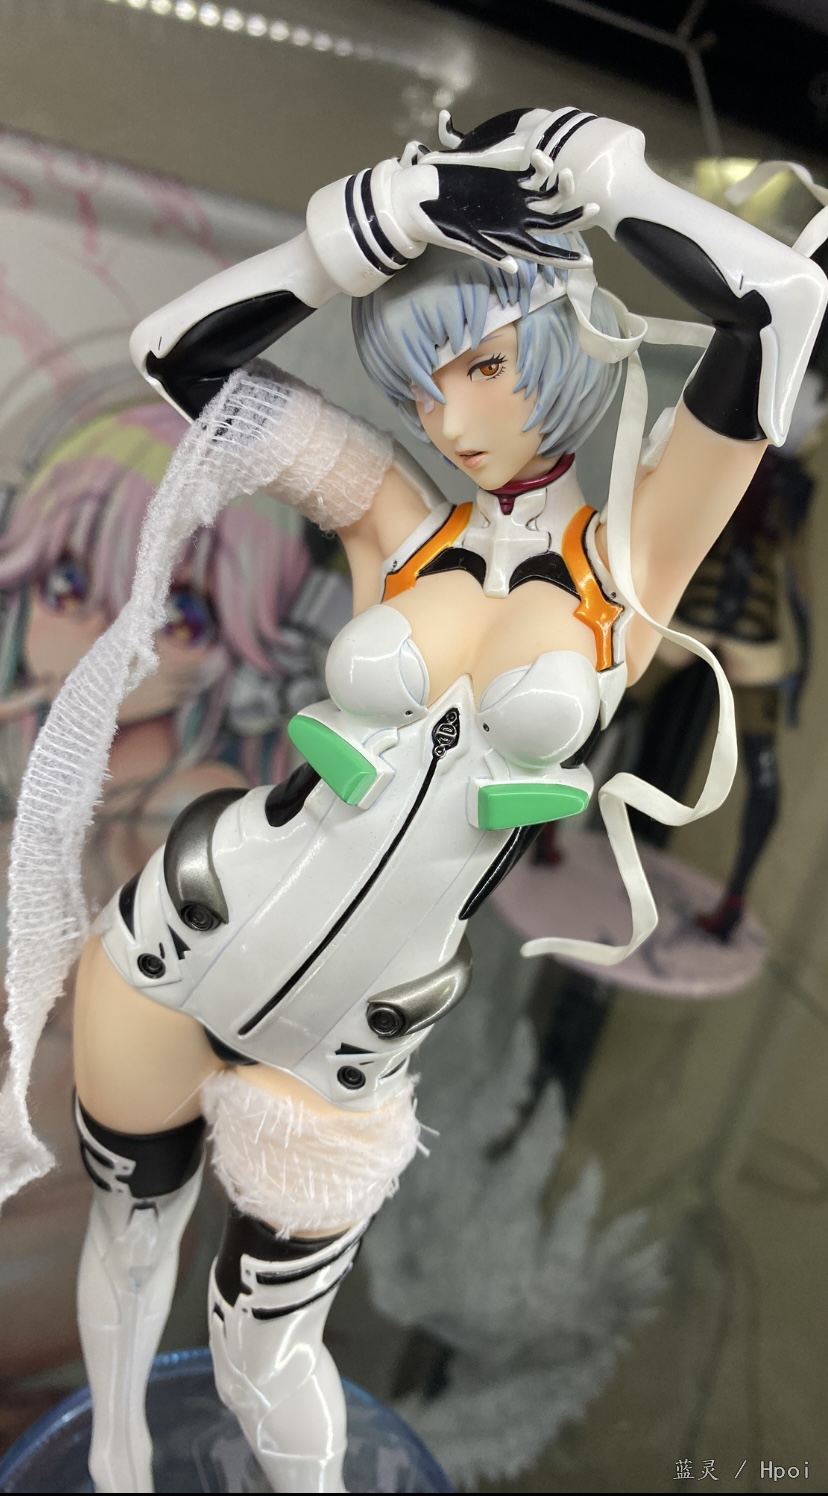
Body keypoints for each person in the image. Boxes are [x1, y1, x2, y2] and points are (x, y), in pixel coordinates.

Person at [2, 109, 826, 1493]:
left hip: (349, 1047)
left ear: (565, 348)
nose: (451, 418)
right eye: (421, 385)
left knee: (267, 1354)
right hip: (184, 929)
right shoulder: (396, 518)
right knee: (128, 1242)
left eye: (484, 367)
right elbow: (181, 360)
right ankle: (121, 1468)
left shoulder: (635, 565)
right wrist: (364, 229)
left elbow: (781, 301)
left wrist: (607, 175)